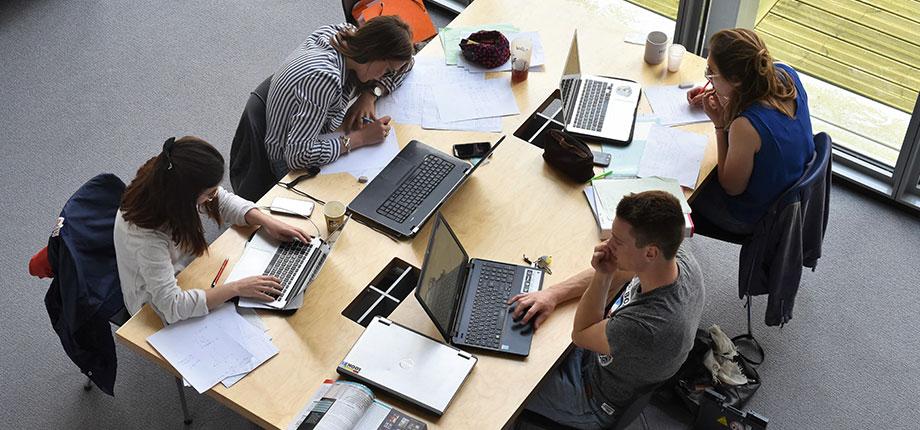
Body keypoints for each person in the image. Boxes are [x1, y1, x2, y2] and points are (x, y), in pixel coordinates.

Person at [518, 191, 705, 429]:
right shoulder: (675, 258)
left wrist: (603, 274)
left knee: (503, 382)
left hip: (590, 397)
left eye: (617, 241)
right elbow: (624, 270)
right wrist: (552, 294)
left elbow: (581, 333)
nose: (607, 245)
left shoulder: (647, 327)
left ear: (650, 252)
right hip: (609, 353)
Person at [114, 136, 312, 324]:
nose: (213, 197)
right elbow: (172, 306)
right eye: (208, 193)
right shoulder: (146, 238)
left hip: (189, 271)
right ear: (184, 197)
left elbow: (220, 200)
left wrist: (266, 221)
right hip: (155, 304)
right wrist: (236, 288)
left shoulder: (170, 177)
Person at [684, 28, 814, 234]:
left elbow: (731, 186)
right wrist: (720, 94)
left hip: (754, 215)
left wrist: (719, 125)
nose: (708, 79)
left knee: (677, 192)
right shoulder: (785, 73)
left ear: (735, 80)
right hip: (788, 185)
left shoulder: (745, 126)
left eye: (711, 73)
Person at [264, 16, 415, 180]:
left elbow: (408, 63)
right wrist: (361, 138)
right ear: (376, 52)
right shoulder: (323, 78)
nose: (384, 76)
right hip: (287, 161)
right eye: (387, 70)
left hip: (319, 130)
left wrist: (370, 94)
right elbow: (298, 155)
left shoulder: (346, 35)